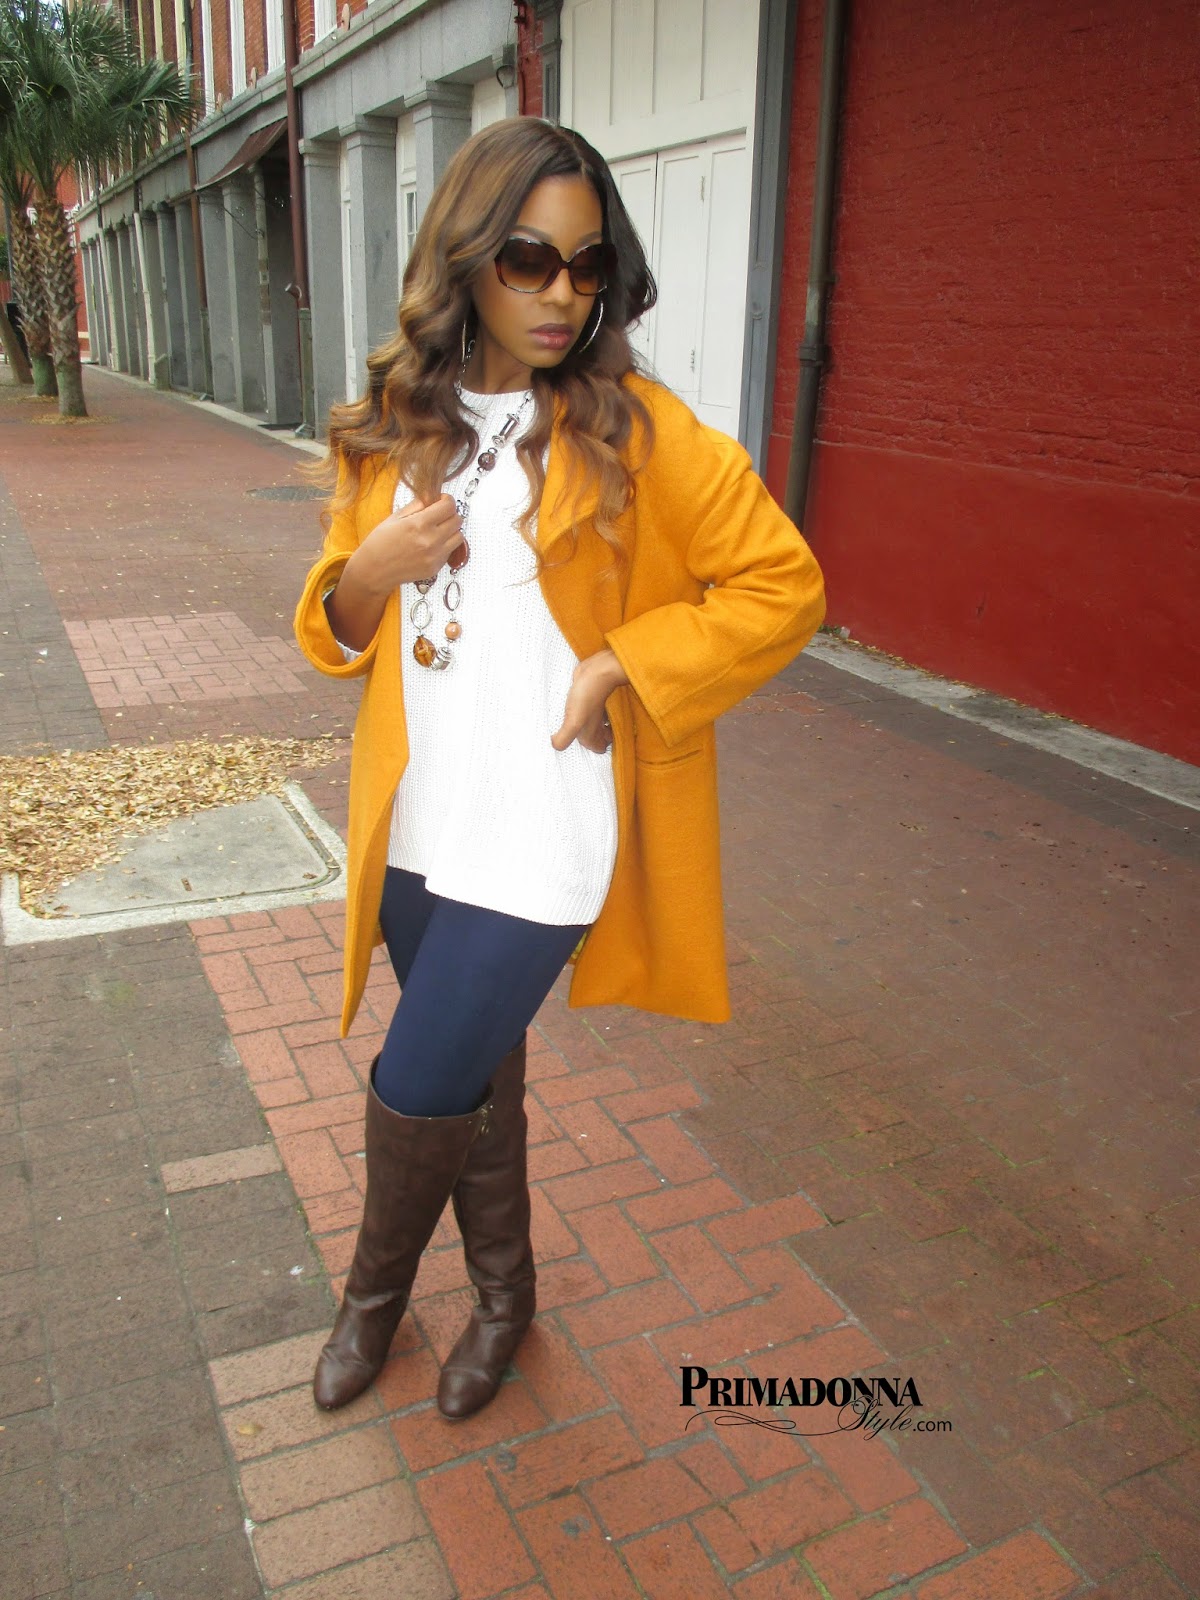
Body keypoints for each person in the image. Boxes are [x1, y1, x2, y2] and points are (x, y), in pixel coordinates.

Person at [293, 116, 825, 1422]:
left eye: (587, 266)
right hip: (419, 823)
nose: (560, 293)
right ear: (468, 257)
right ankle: (505, 1298)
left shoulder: (635, 431)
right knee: (473, 1070)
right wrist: (368, 574)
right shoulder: (391, 424)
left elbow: (783, 585)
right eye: (530, 258)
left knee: (421, 1077)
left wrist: (623, 664)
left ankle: (369, 1306)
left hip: (542, 829)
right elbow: (342, 634)